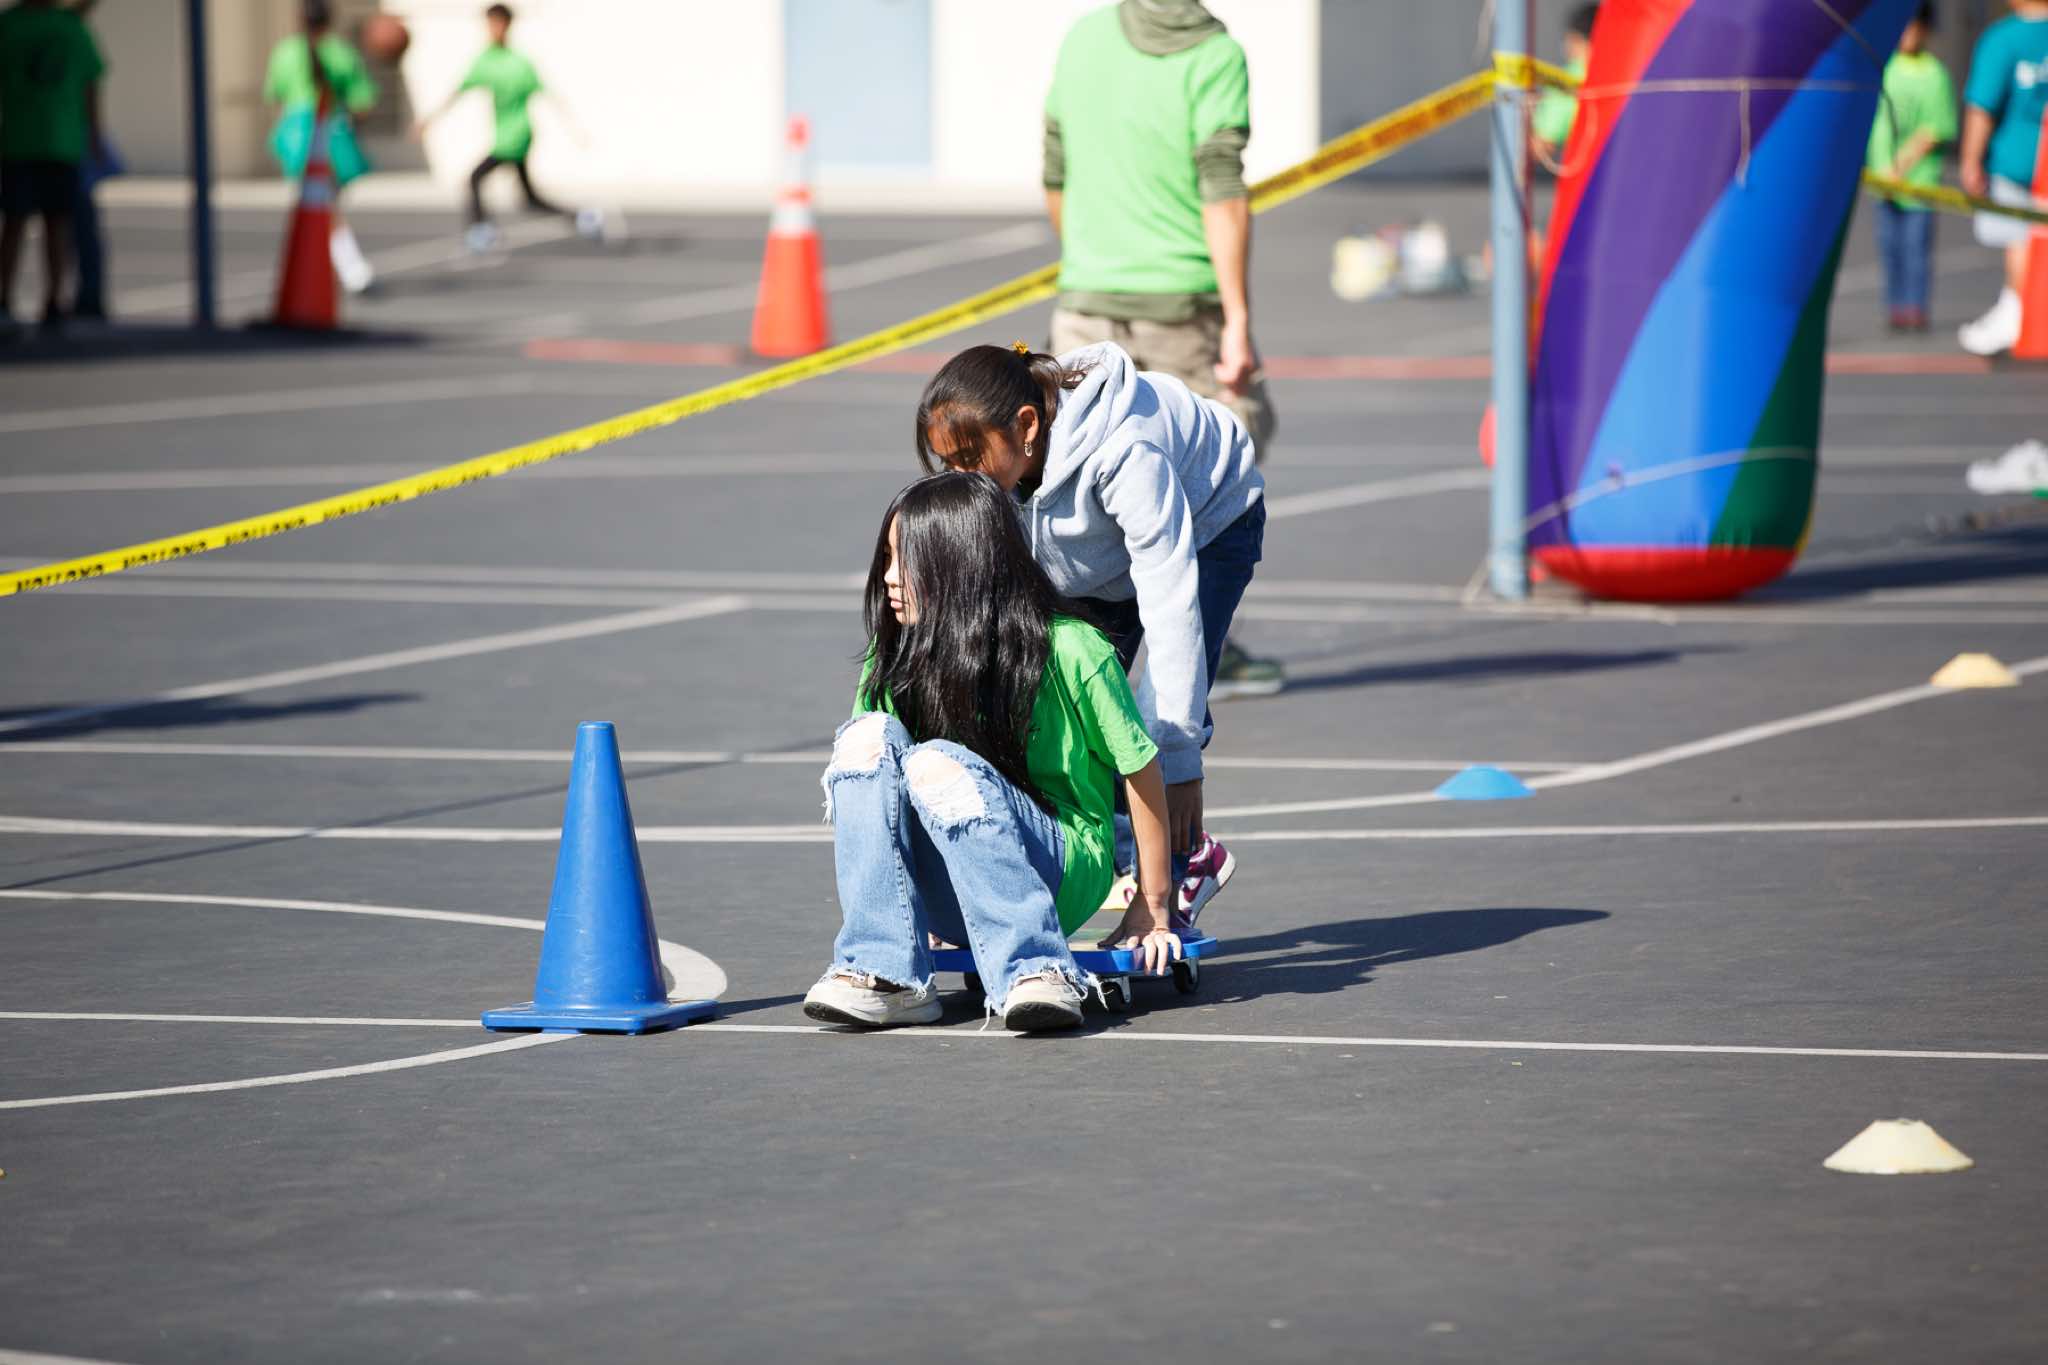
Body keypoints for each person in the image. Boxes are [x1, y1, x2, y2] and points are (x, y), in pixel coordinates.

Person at [804, 472, 1180, 1033]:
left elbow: (1140, 770)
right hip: (951, 883)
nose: (888, 577)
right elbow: (877, 793)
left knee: (936, 763)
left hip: (1057, 870)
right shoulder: (895, 653)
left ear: (963, 563)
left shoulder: (1072, 647)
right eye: (885, 557)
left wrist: (1152, 900)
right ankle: (883, 973)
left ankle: (1037, 966)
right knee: (863, 740)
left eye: (906, 559)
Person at [916, 341, 1261, 927]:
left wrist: (1179, 762)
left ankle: (1177, 871)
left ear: (1027, 426)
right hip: (1098, 553)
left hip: (1209, 523)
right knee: (1066, 707)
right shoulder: (1000, 464)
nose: (960, 477)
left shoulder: (1126, 452)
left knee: (1150, 722)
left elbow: (1171, 604)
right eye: (948, 463)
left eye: (969, 458)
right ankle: (1127, 856)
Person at [1043, 0, 1282, 700]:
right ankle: (1193, 656)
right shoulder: (1215, 54)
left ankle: (1076, 665)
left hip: (1085, 302)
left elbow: (1054, 172)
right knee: (1216, 476)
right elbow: (1222, 189)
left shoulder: (1084, 38)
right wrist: (1238, 318)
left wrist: (1091, 257)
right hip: (1182, 307)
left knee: (1078, 489)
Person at [411, 3, 599, 252]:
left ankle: (481, 230)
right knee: (529, 198)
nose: (492, 29)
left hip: (517, 135)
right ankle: (582, 217)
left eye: (497, 24)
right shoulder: (485, 60)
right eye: (489, 24)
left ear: (507, 25)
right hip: (503, 135)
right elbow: (458, 91)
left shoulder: (519, 63)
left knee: (475, 178)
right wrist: (429, 120)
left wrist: (574, 129)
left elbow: (549, 95)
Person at [0, 0, 103, 338]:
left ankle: (54, 301)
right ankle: (7, 299)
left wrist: (94, 136)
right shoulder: (11, 25)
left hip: (60, 143)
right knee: (16, 223)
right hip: (20, 142)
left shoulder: (69, 27)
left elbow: (90, 84)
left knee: (56, 224)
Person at [262, 0, 378, 294]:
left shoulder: (285, 51)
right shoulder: (341, 53)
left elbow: (274, 94)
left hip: (296, 135)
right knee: (325, 204)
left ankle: (327, 266)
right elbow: (362, 102)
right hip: (329, 133)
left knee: (318, 204)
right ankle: (351, 267)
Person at [1956, 0, 2048, 356]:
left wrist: (1970, 160)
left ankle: (2015, 312)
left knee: (2020, 241)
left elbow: (1982, 105)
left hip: (2018, 162)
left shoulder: (2002, 39)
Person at [1867, 3, 1955, 333]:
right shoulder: (1884, 67)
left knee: (1915, 249)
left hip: (1918, 181)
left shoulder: (1934, 74)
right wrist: (1884, 171)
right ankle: (1895, 306)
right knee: (1889, 248)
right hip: (1882, 181)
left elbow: (1935, 128)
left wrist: (1900, 167)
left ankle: (1915, 307)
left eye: (1913, 27)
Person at [1532, 4, 1599, 167]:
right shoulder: (1632, 72)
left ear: (1575, 40)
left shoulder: (1567, 80)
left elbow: (1541, 146)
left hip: (1586, 170)